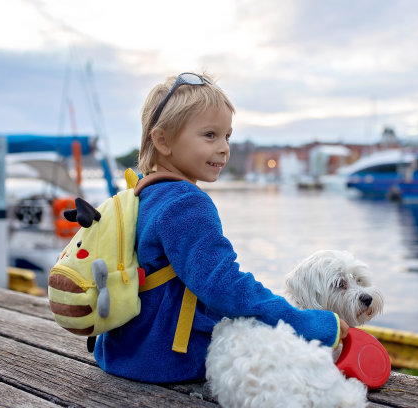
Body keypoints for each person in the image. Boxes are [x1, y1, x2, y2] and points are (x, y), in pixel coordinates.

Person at [93, 72, 348, 383]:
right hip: (169, 361)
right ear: (162, 140)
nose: (224, 148)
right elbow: (224, 287)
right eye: (210, 135)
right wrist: (307, 322)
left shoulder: (143, 193)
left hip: (122, 352)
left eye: (227, 136)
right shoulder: (186, 203)